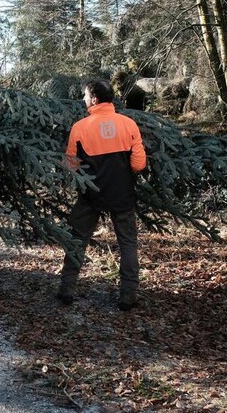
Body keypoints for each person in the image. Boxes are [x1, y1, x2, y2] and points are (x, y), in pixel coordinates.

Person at [57, 79, 147, 311]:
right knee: (127, 244)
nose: (84, 99)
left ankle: (66, 290)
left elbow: (71, 166)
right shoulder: (129, 124)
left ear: (95, 99)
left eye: (85, 95)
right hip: (122, 194)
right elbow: (139, 164)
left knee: (78, 239)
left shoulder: (79, 127)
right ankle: (128, 296)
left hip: (90, 195)